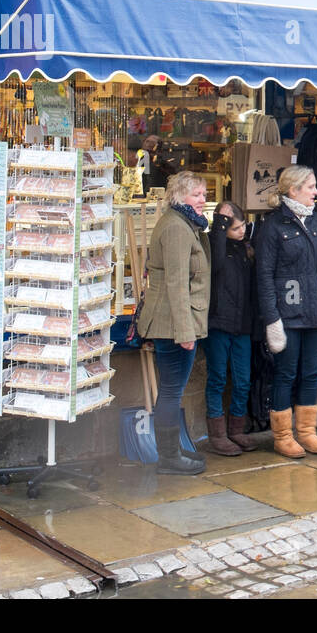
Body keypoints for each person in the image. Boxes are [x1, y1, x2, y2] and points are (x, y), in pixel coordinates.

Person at [255, 165, 317, 458]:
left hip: (314, 313)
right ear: (293, 190)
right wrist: (272, 320)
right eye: (311, 187)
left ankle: (307, 432)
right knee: (286, 375)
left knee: (310, 374)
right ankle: (282, 436)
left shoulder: (316, 222)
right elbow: (264, 276)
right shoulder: (273, 226)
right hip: (287, 315)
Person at [136, 171, 211, 475]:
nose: (203, 200)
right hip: (173, 324)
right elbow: (178, 284)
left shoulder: (184, 224)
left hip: (175, 321)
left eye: (204, 194)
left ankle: (172, 450)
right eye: (196, 195)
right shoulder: (178, 229)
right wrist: (185, 332)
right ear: (180, 197)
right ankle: (168, 458)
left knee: (172, 389)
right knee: (171, 391)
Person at [202, 200, 256, 456]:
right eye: (235, 228)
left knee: (243, 380)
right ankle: (218, 434)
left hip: (242, 325)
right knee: (218, 379)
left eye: (243, 225)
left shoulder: (247, 251)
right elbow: (217, 265)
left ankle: (237, 428)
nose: (241, 231)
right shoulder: (216, 247)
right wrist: (220, 226)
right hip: (218, 324)